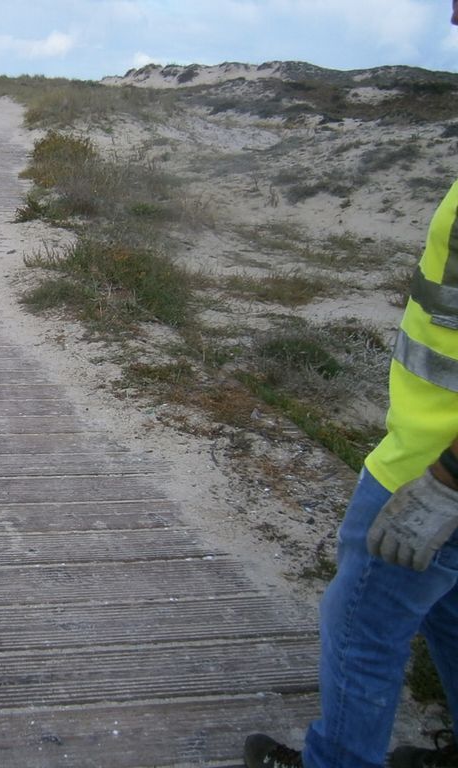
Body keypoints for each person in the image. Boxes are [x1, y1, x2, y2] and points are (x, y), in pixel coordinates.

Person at [244, 4, 458, 766]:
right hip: (430, 450)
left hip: (430, 470)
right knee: (451, 614)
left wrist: (447, 484)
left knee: (364, 624)